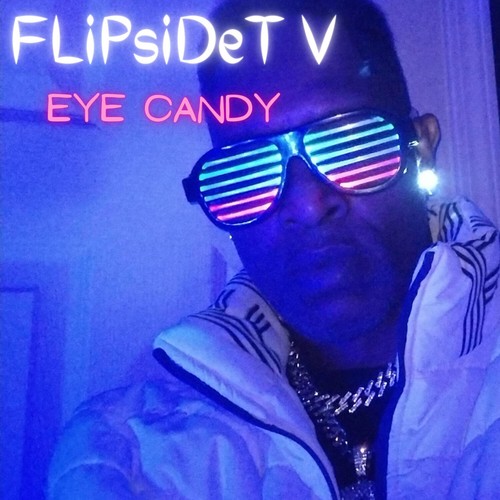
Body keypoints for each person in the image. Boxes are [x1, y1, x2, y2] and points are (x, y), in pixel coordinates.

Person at [48, 0, 500, 498]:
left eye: (350, 143)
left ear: (422, 148)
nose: (306, 204)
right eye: (248, 169)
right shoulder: (126, 455)